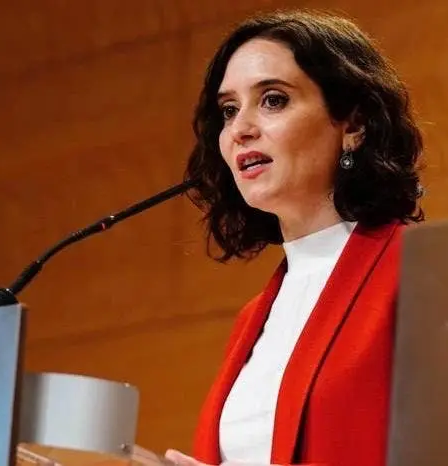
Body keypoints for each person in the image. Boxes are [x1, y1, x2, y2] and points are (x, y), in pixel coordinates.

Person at [163, 9, 424, 466]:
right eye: (229, 110)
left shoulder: (421, 272)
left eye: (273, 100)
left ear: (353, 125)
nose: (240, 129)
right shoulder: (253, 319)